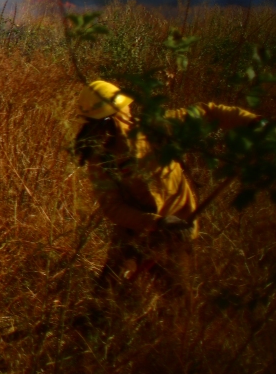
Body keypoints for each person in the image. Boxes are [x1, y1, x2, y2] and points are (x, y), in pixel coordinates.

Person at [73, 80, 259, 292]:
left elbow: (210, 113)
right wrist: (154, 222)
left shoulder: (156, 128)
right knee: (105, 294)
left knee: (177, 301)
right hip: (133, 233)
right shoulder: (99, 159)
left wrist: (254, 123)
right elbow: (113, 207)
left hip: (177, 231)